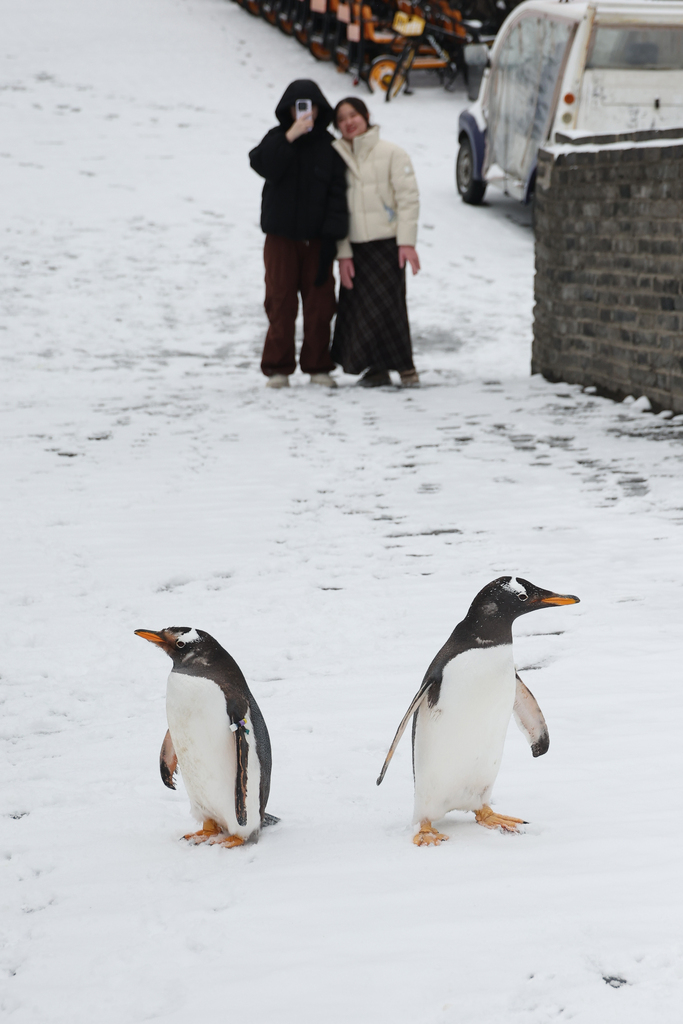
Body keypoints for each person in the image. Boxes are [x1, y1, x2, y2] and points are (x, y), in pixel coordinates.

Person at [249, 80, 349, 389]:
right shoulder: (277, 138)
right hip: (280, 239)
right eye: (299, 106)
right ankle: (278, 368)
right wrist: (290, 136)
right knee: (280, 302)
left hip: (318, 242)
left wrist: (333, 236)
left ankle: (318, 366)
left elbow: (338, 194)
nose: (306, 112)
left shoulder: (330, 147)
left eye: (311, 106)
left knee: (320, 305)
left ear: (320, 109)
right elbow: (260, 162)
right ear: (289, 109)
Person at [331, 97, 421, 388]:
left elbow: (408, 199)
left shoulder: (391, 153)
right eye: (342, 118)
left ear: (367, 116)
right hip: (356, 246)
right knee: (361, 310)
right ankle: (377, 368)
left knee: (389, 307)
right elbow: (336, 210)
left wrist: (406, 242)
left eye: (353, 114)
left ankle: (407, 369)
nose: (349, 122)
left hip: (387, 243)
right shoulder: (336, 157)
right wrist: (343, 253)